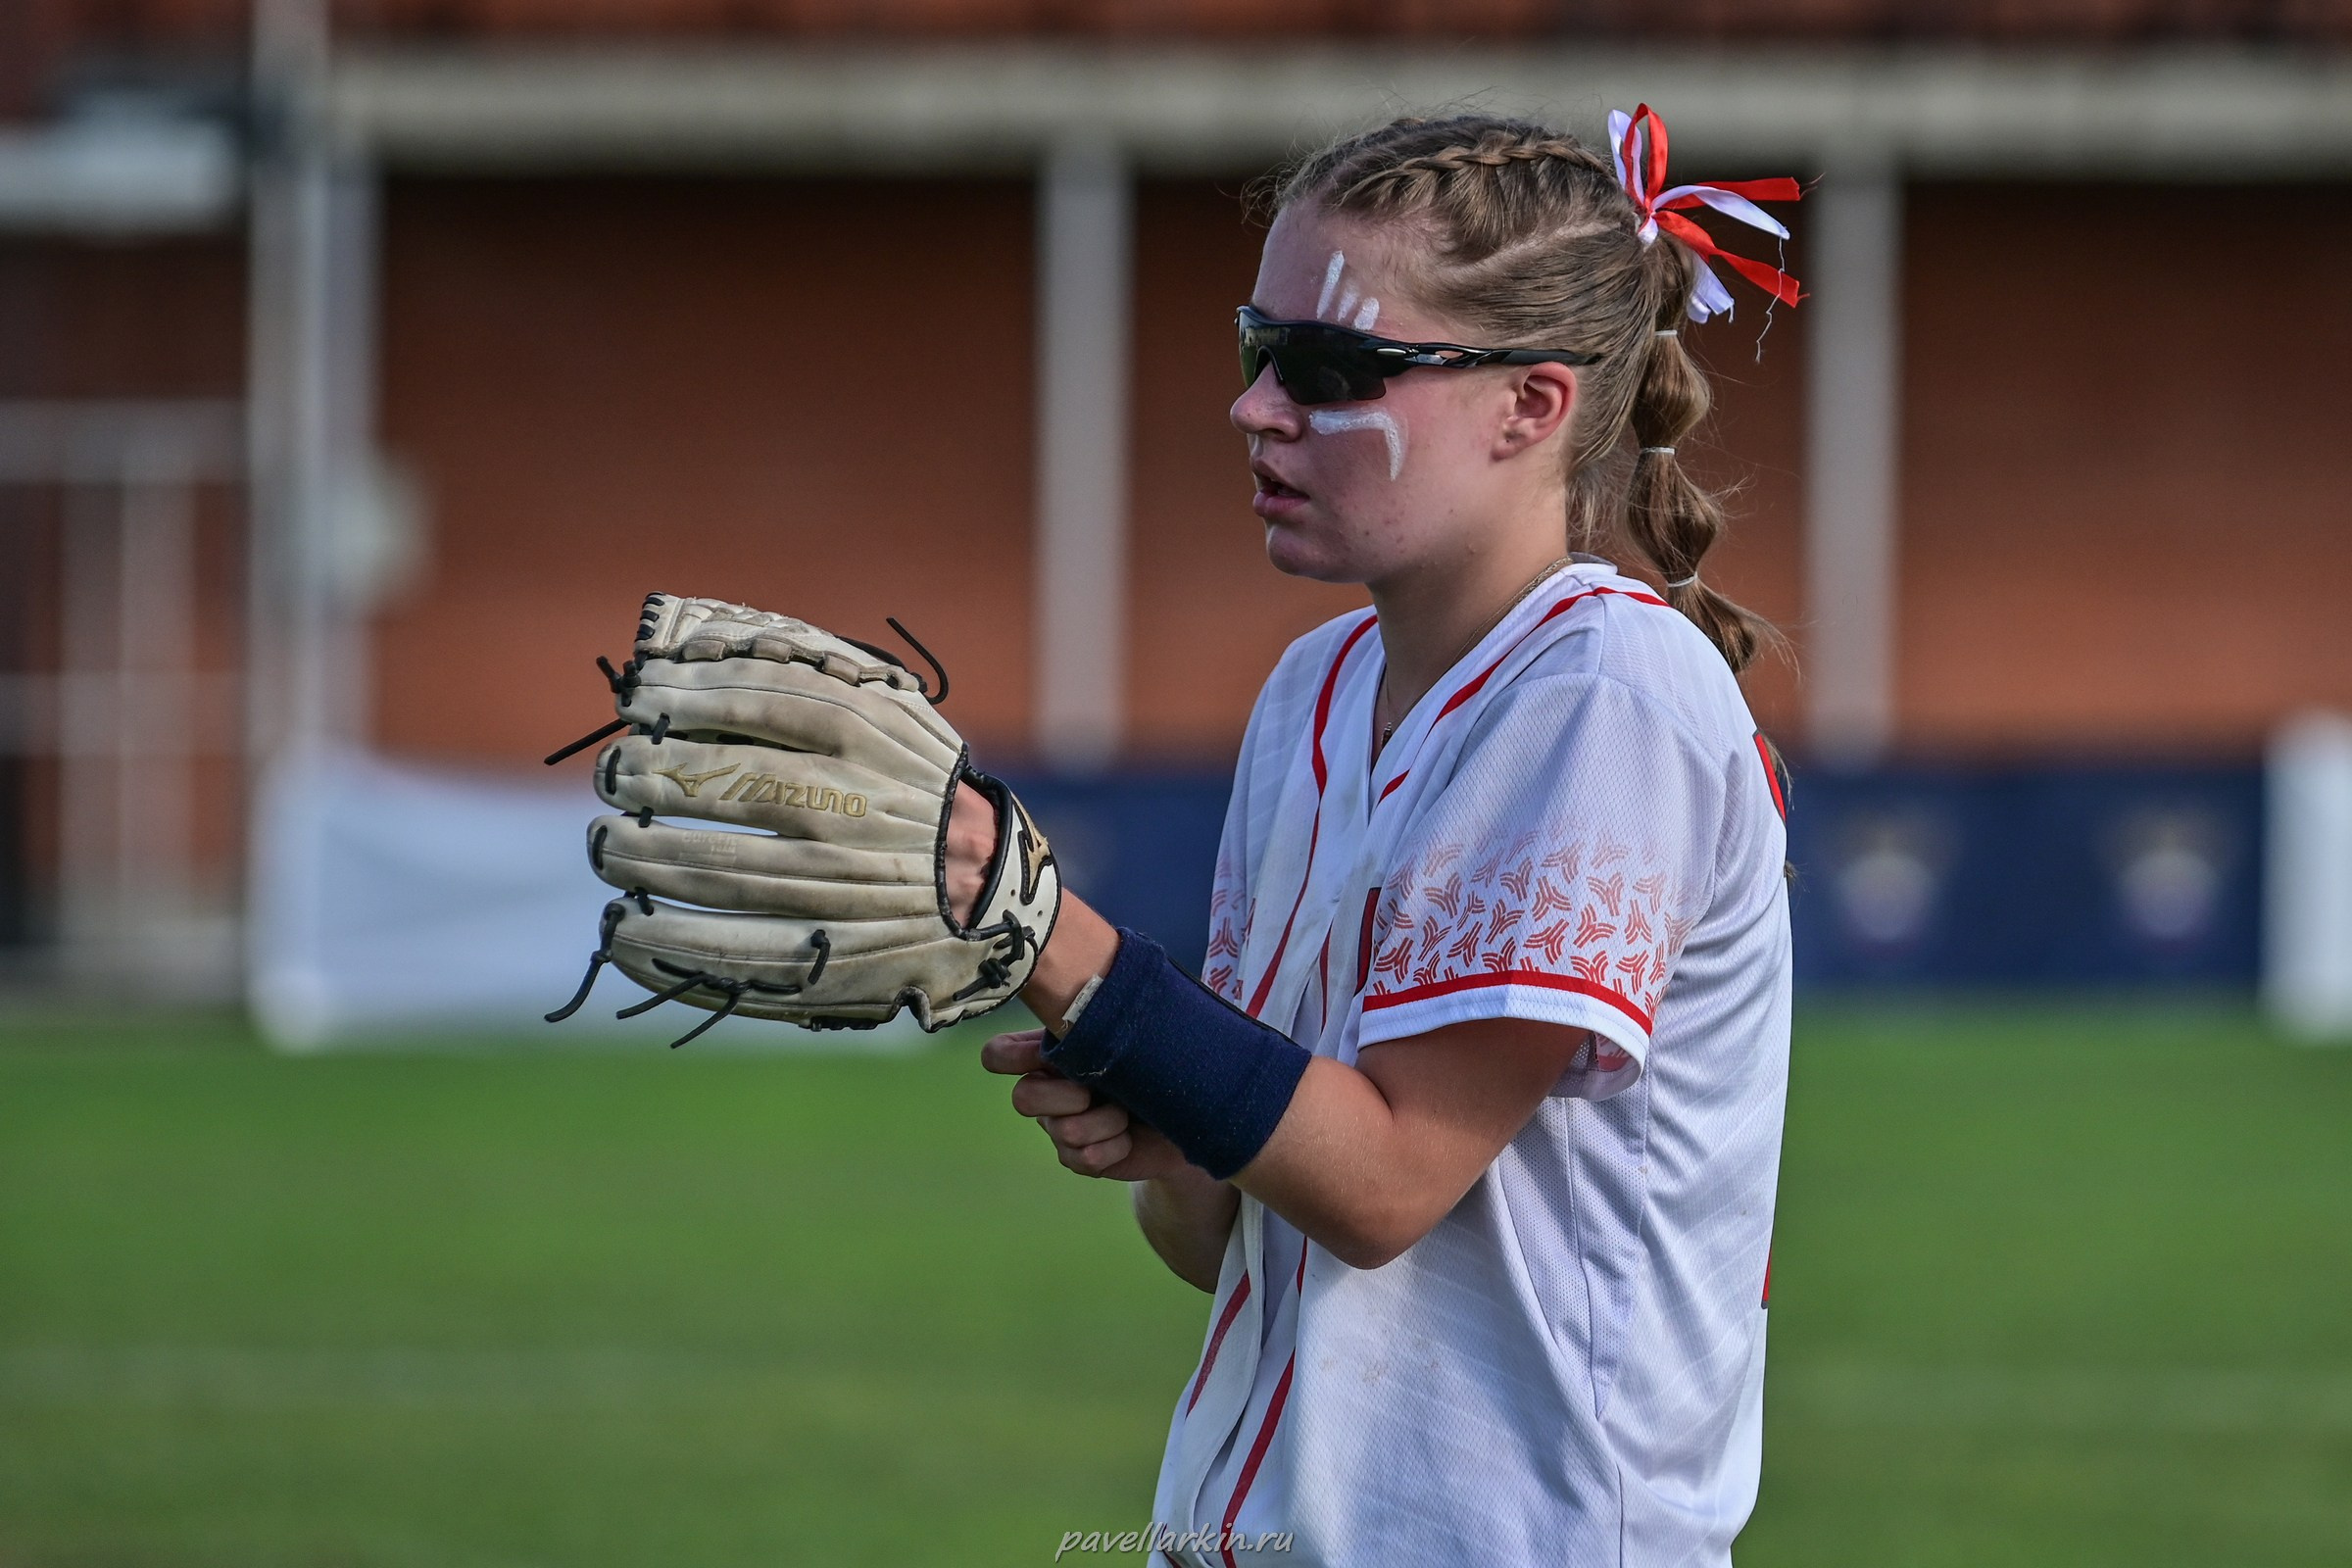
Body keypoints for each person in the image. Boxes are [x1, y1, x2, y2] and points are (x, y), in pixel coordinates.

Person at [964, 108, 1799, 1566]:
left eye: (1331, 368)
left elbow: (1384, 1184)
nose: (1257, 408)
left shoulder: (1609, 689)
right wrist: (1173, 1123)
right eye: (1257, 348)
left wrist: (1035, 924)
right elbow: (1225, 1241)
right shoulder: (1313, 689)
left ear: (1530, 405)